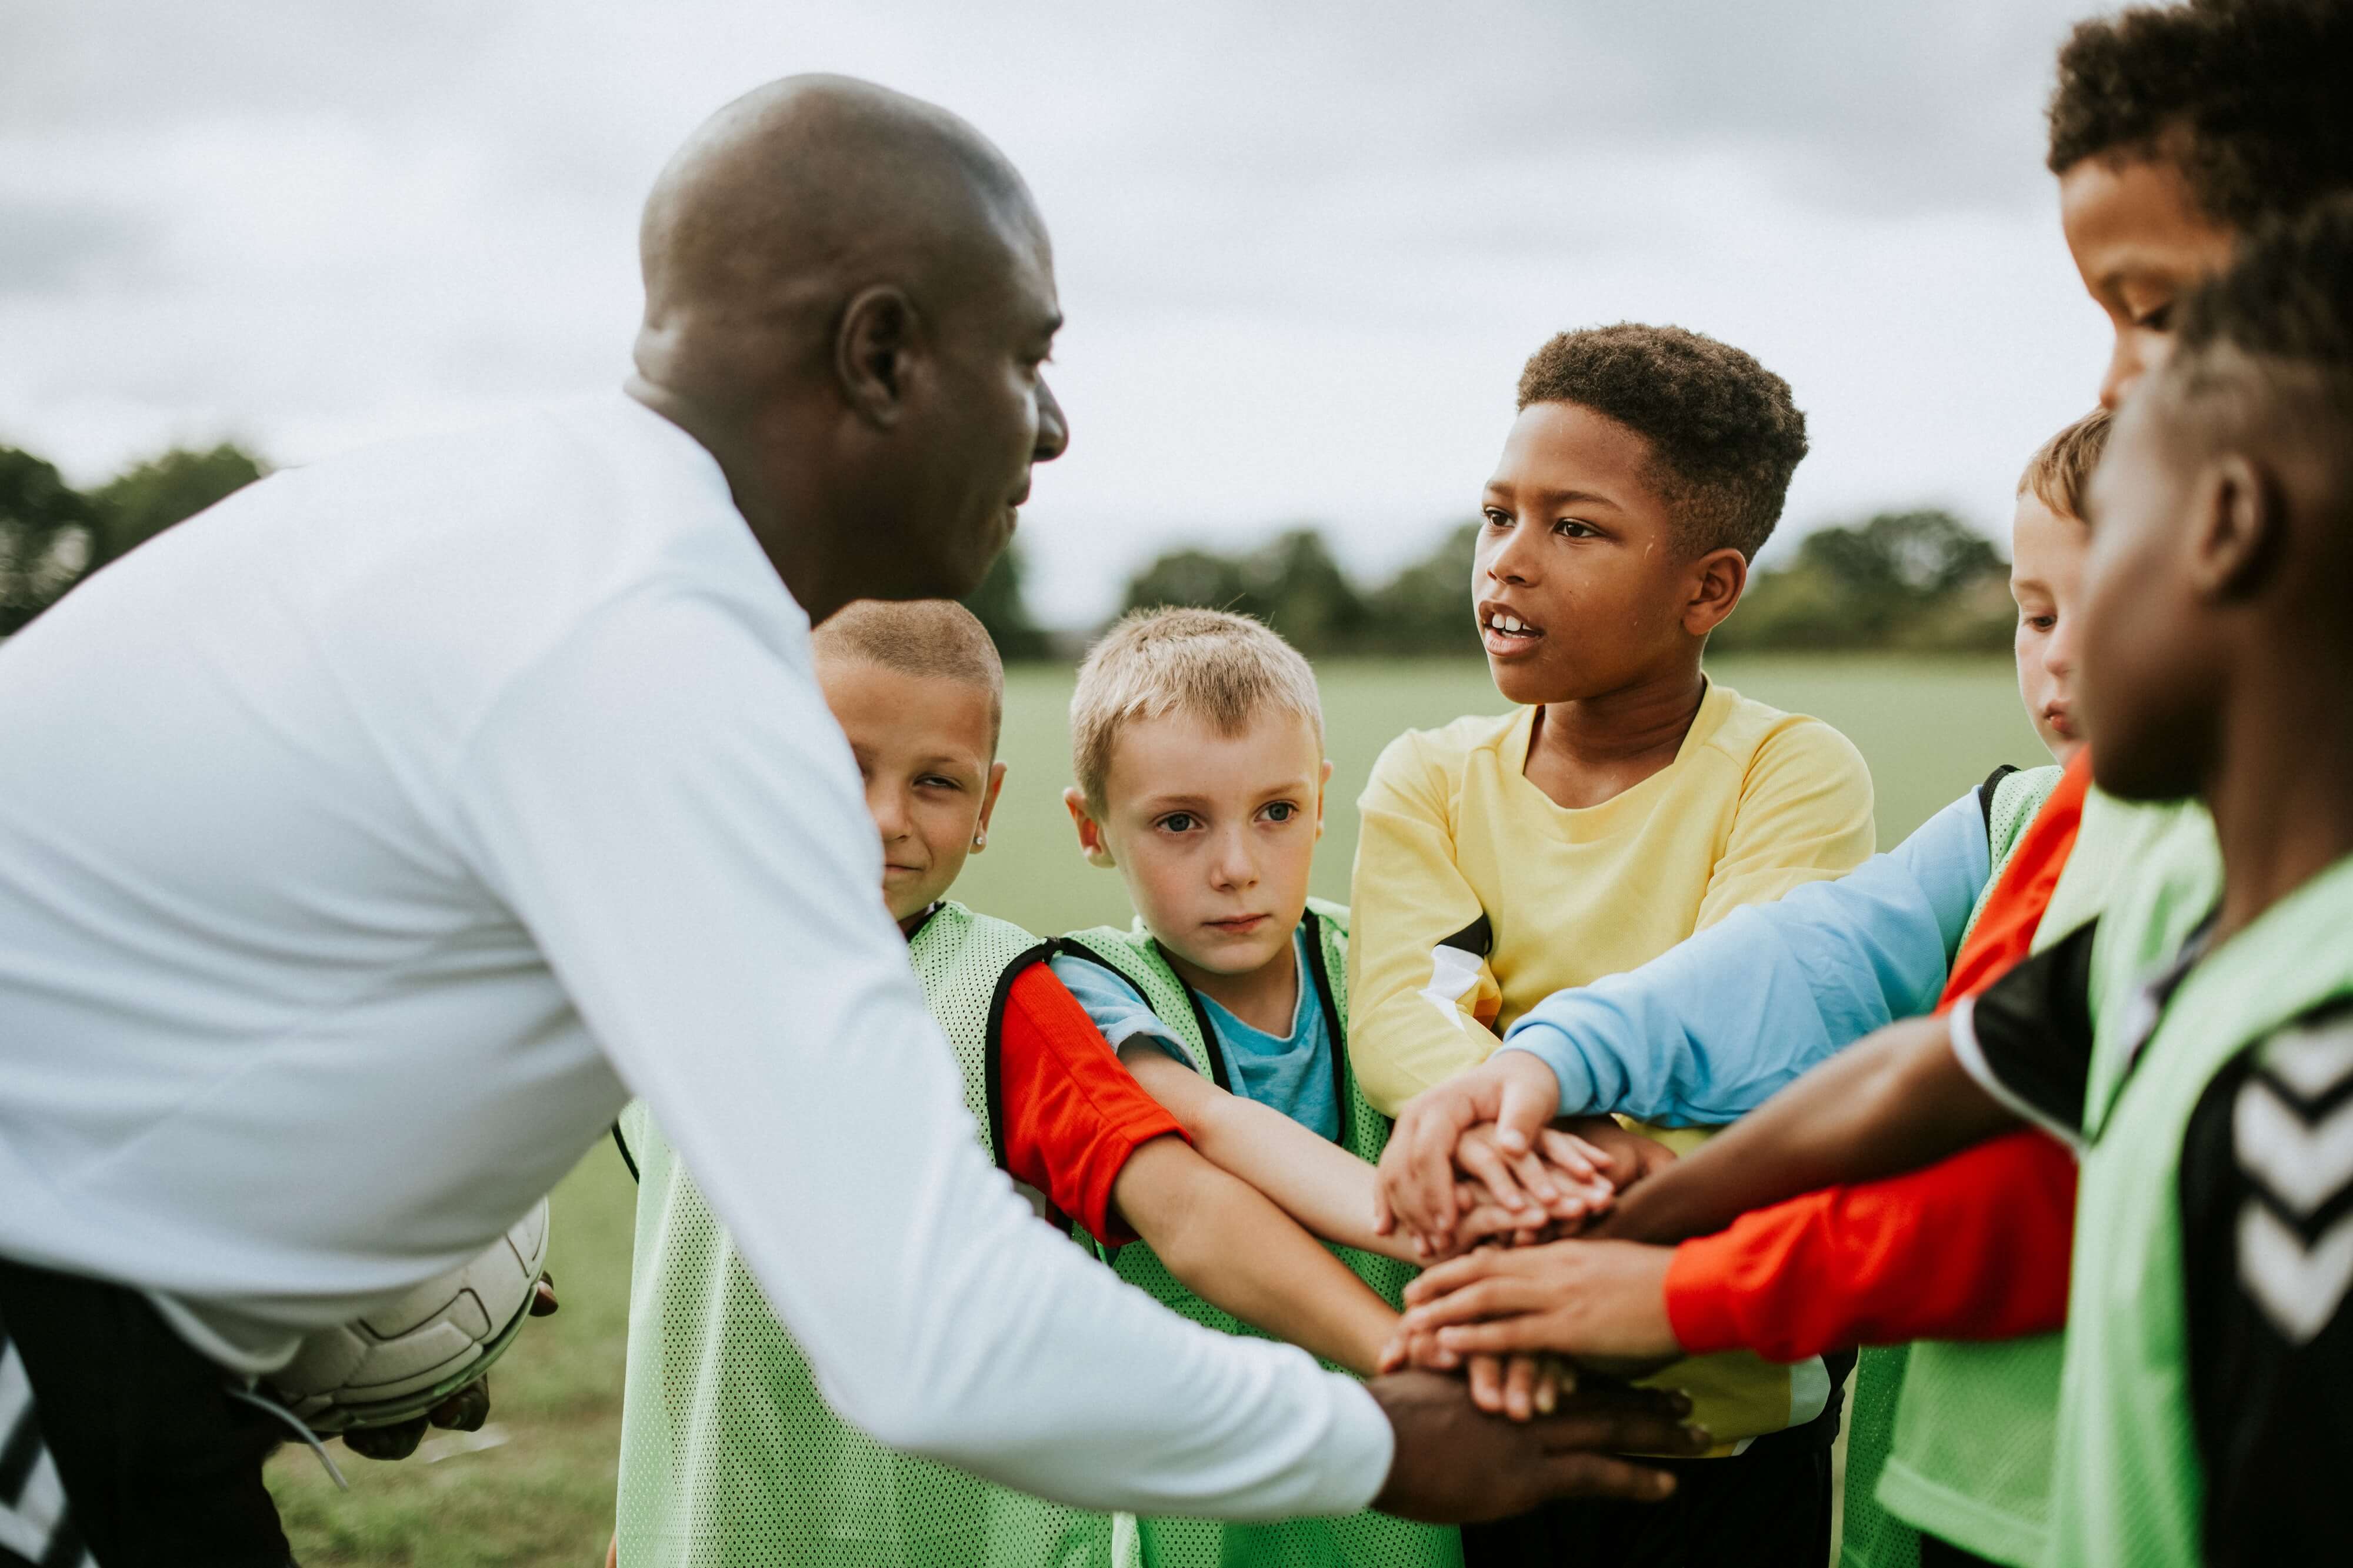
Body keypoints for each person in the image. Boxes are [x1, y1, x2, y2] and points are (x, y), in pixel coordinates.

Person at [0, 76, 1709, 1568]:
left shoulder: (535, 528)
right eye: (1030, 357)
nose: (1053, 423)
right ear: (881, 352)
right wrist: (1395, 1439)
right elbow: (925, 1322)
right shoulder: (649, 645)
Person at [1374, 8, 2353, 1560]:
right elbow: (1902, 1034)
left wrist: (1669, 1275)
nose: (2117, 380)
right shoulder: (2110, 841)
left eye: (2152, 307)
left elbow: (2048, 1195)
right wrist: (1564, 1097)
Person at [611, 599, 1523, 1566]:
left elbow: (1189, 1205)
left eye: (936, 782)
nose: (1235, 868)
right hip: (715, 1520)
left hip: (1360, 1517)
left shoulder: (1015, 995)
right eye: (1180, 821)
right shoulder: (661, 968)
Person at [1387, 408, 2110, 1568]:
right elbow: (1805, 961)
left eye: (2110, 607)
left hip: (2119, 1501)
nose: (2058, 654)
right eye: (2032, 615)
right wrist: (1551, 1058)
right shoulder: (2014, 821)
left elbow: (2025, 1190)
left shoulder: (2265, 871)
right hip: (1929, 1489)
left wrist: (1674, 1279)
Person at [1343, 322, 1875, 1565]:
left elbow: (1749, 1023)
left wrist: (1539, 1135)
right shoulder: (1426, 779)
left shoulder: (1788, 772)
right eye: (1495, 516)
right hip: (1501, 1401)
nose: (1507, 564)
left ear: (1706, 587)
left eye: (1572, 528)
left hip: (1732, 1422)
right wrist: (1574, 1148)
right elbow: (1403, 1016)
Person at [1047, 607, 1623, 1568]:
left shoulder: (1386, 960)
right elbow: (1211, 1124)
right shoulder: (1088, 986)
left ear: (1320, 801)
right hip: (1205, 1515)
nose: (1236, 868)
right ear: (1092, 826)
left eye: (1274, 812)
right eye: (1180, 822)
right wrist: (1442, 1219)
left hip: (1412, 1510)